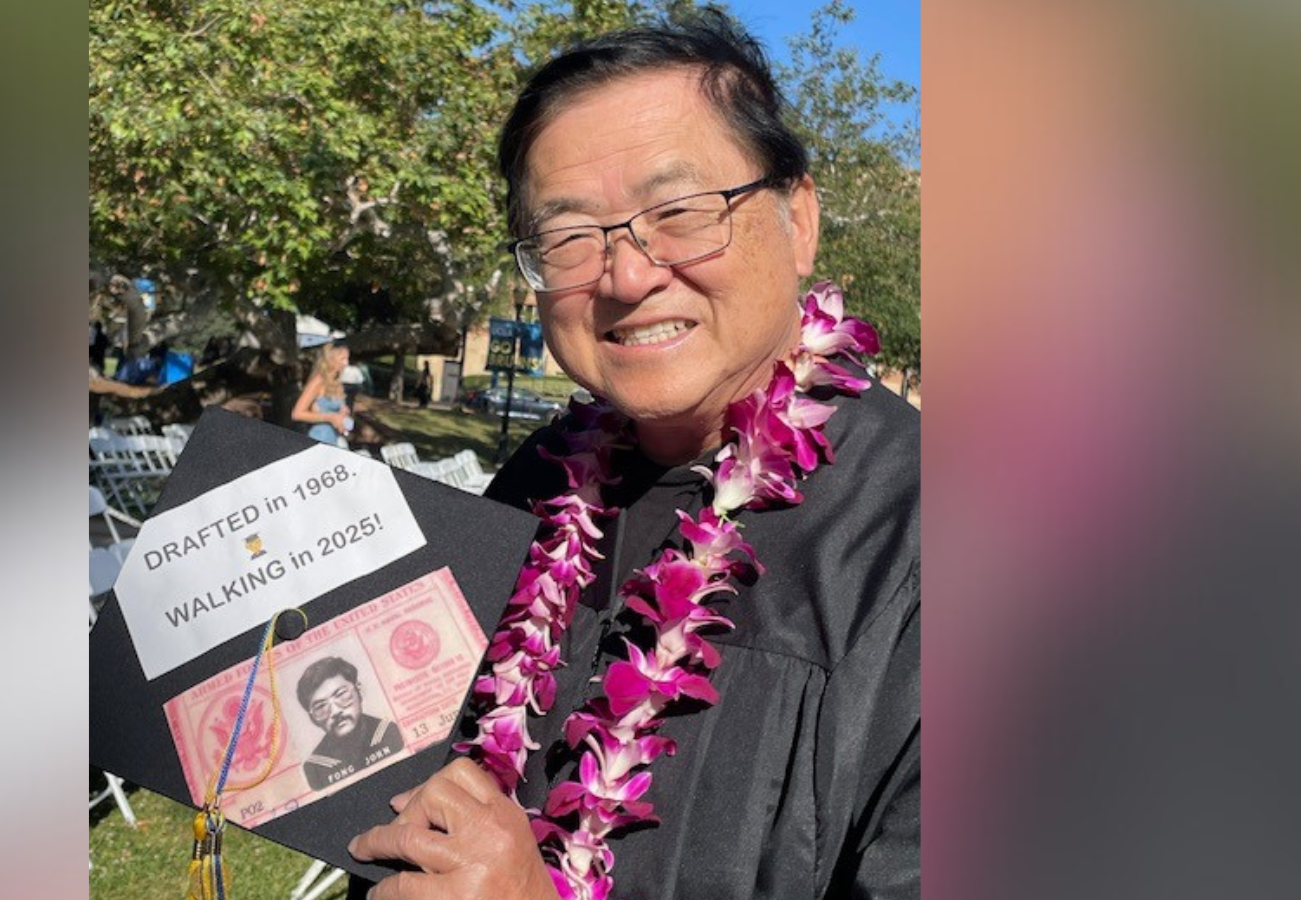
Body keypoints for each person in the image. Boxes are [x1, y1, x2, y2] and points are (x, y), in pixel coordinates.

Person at [348, 13, 919, 900]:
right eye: (570, 237)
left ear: (799, 218)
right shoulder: (532, 486)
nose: (625, 276)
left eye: (680, 213)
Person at [296, 657, 406, 791]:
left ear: (358, 690)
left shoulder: (390, 732)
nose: (335, 712)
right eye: (321, 707)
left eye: (341, 695)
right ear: (312, 718)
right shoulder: (315, 768)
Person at [291, 343, 354, 446]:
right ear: (331, 358)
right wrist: (330, 417)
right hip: (319, 439)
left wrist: (342, 412)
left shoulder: (336, 382)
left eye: (347, 359)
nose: (346, 363)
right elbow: (297, 414)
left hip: (333, 440)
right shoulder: (318, 381)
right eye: (342, 359)